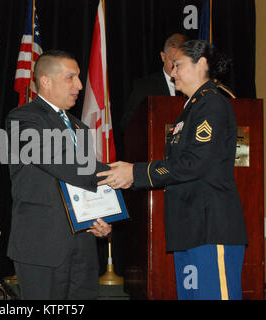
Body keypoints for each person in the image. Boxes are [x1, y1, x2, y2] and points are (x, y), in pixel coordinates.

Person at [98, 40, 248, 300]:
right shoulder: (190, 109)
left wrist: (135, 173)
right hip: (189, 229)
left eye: (178, 65)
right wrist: (131, 177)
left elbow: (195, 163)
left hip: (210, 229)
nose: (172, 72)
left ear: (201, 64)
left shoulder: (211, 104)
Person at [6, 50, 112, 300]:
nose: (79, 85)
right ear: (46, 81)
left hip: (83, 246)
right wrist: (118, 173)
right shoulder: (23, 118)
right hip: (42, 246)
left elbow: (87, 183)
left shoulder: (80, 126)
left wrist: (103, 217)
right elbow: (62, 161)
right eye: (71, 77)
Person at [120, 33, 189, 129]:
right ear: (163, 57)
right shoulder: (145, 87)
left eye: (180, 62)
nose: (175, 68)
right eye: (173, 61)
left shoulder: (192, 86)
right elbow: (128, 125)